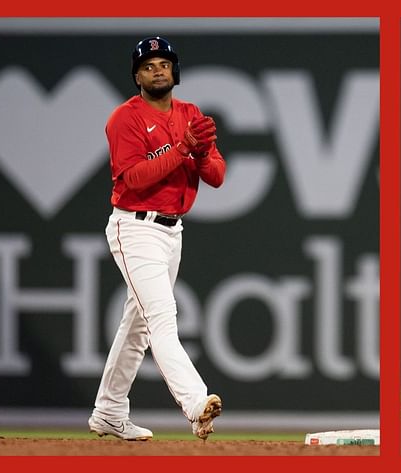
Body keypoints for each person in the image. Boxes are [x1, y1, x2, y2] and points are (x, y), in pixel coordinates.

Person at [88, 36, 226, 440]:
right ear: (137, 76)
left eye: (164, 63)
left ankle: (109, 411)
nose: (158, 70)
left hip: (172, 230)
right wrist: (182, 147)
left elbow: (216, 176)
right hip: (135, 226)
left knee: (138, 326)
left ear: (175, 71)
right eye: (149, 65)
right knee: (163, 318)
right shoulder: (125, 119)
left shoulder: (190, 113)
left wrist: (199, 153)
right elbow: (133, 177)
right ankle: (196, 402)